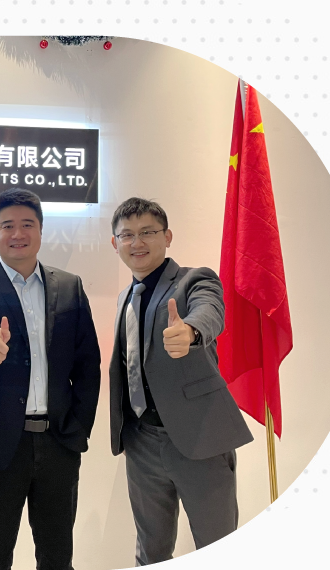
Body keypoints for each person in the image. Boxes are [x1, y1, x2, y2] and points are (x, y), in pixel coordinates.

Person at [0, 188, 101, 570]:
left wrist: (77, 429)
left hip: (58, 443)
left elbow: (88, 365)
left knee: (56, 556)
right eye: (7, 226)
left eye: (27, 225)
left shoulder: (70, 285)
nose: (17, 233)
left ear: (40, 230)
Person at [107, 197, 253, 565]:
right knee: (151, 552)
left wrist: (189, 330)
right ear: (115, 243)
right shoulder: (126, 295)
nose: (136, 243)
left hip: (198, 438)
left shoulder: (194, 279)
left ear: (167, 236)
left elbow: (211, 311)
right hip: (141, 442)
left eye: (147, 233)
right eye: (127, 235)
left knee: (216, 544)